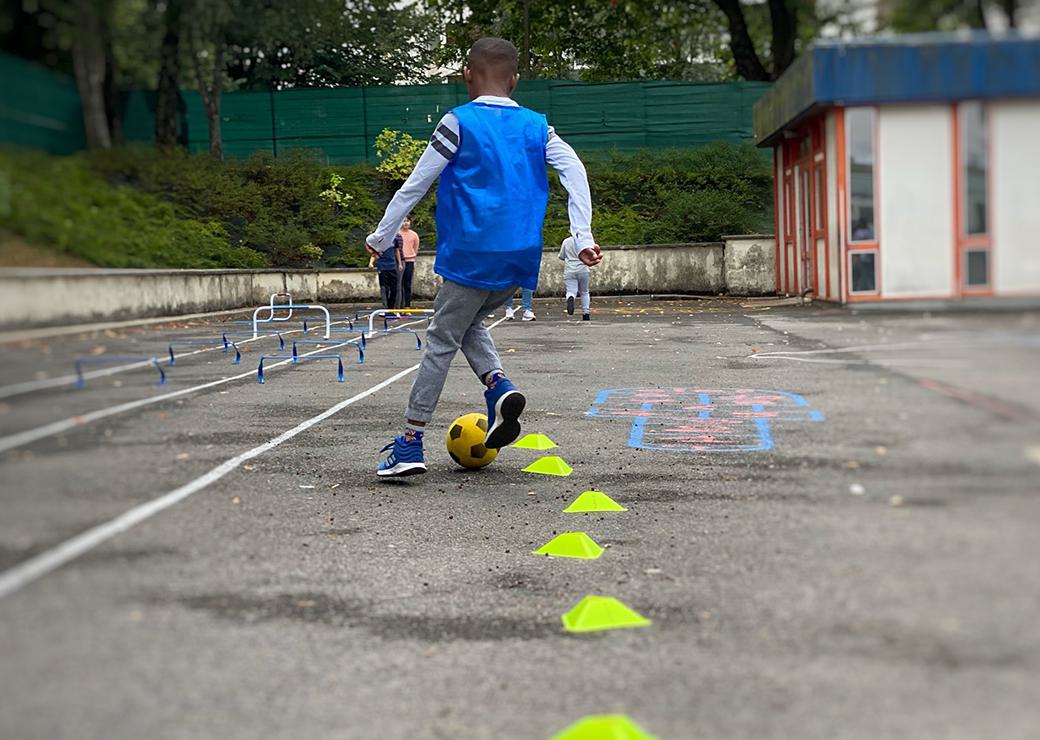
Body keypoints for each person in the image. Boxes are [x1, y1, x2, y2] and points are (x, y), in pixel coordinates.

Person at [363, 36, 602, 477]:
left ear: (467, 75)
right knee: (468, 320)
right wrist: (582, 234)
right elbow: (574, 169)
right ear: (514, 79)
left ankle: (411, 443)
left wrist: (381, 236)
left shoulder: (458, 122)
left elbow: (415, 184)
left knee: (440, 339)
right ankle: (498, 387)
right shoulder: (538, 126)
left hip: (471, 252)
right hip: (519, 257)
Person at [559, 235, 591, 320]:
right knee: (584, 292)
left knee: (571, 291)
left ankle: (571, 297)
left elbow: (561, 256)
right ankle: (586, 313)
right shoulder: (586, 241)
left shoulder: (566, 241)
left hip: (570, 269)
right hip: (583, 269)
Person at [369, 232, 404, 309]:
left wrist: (400, 263)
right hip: (382, 267)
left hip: (392, 266)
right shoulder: (379, 240)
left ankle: (391, 307)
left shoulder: (394, 239)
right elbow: (374, 254)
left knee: (394, 288)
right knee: (384, 288)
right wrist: (371, 263)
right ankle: (385, 307)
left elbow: (397, 251)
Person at [399, 215, 420, 307]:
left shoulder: (414, 235)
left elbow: (415, 248)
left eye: (407, 221)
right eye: (403, 221)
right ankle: (399, 305)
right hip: (400, 261)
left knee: (407, 284)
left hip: (410, 261)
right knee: (399, 284)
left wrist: (412, 256)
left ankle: (407, 305)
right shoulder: (397, 234)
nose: (406, 223)